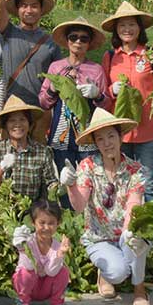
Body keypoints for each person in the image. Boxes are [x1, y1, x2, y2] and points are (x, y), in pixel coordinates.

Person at [59, 107, 150, 305]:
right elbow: (79, 205)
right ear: (95, 144)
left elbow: (133, 205)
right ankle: (106, 271)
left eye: (111, 136)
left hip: (125, 233)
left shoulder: (134, 169)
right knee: (118, 273)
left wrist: (129, 232)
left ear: (120, 136)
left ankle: (139, 289)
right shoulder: (88, 166)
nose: (107, 143)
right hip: (98, 237)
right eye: (100, 139)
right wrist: (70, 185)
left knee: (136, 237)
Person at [100, 1, 153, 200]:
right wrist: (112, 90)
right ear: (116, 30)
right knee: (119, 181)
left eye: (131, 25)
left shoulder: (152, 55)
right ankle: (122, 227)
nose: (127, 30)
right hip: (119, 132)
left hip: (148, 129)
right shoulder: (110, 56)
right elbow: (102, 93)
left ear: (140, 28)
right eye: (122, 26)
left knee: (150, 183)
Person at [39, 17, 106, 183]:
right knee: (66, 179)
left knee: (90, 179)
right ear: (67, 41)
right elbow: (43, 102)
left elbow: (107, 105)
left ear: (89, 43)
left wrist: (97, 94)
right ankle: (68, 209)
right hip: (61, 134)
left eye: (84, 39)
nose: (78, 42)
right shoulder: (56, 67)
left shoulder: (96, 70)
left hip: (88, 134)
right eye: (73, 37)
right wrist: (53, 89)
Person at [0, 0, 60, 114]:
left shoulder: (50, 42)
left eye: (34, 6)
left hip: (40, 109)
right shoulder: (9, 33)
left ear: (41, 10)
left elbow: (57, 77)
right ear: (17, 10)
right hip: (11, 105)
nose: (29, 10)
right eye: (24, 6)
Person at [10, 198, 74, 305]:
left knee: (63, 272)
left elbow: (51, 271)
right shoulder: (28, 241)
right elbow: (29, 266)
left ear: (58, 223)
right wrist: (22, 249)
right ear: (33, 223)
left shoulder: (56, 245)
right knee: (25, 273)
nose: (46, 227)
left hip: (45, 289)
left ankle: (57, 303)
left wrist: (60, 254)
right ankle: (22, 303)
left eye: (51, 223)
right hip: (28, 286)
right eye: (42, 223)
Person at [0, 96, 53, 203]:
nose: (18, 124)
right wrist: (2, 167)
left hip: (33, 212)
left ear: (29, 124)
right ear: (6, 125)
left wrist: (61, 187)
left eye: (22, 119)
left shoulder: (42, 152)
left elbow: (50, 184)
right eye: (12, 120)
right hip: (3, 211)